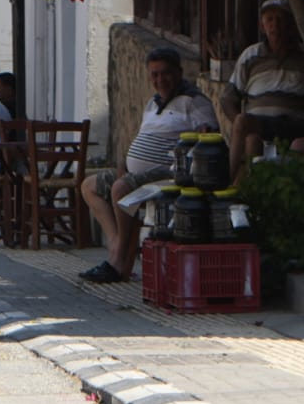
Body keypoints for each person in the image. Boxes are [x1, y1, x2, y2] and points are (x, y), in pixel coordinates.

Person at [79, 47, 216, 283]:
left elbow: (210, 138)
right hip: (136, 173)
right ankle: (116, 244)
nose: (160, 80)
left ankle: (118, 261)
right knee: (89, 186)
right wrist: (124, 162)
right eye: (154, 74)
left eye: (165, 73)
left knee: (121, 188)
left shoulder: (194, 102)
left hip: (168, 172)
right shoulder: (153, 103)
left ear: (179, 72)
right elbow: (145, 136)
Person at [221, 0, 304, 187]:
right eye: (270, 20)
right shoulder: (251, 56)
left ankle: (226, 184)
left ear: (291, 24)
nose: (275, 25)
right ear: (262, 26)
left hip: (295, 125)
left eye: (280, 19)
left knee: (245, 125)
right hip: (260, 125)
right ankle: (237, 188)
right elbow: (227, 99)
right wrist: (240, 128)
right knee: (249, 137)